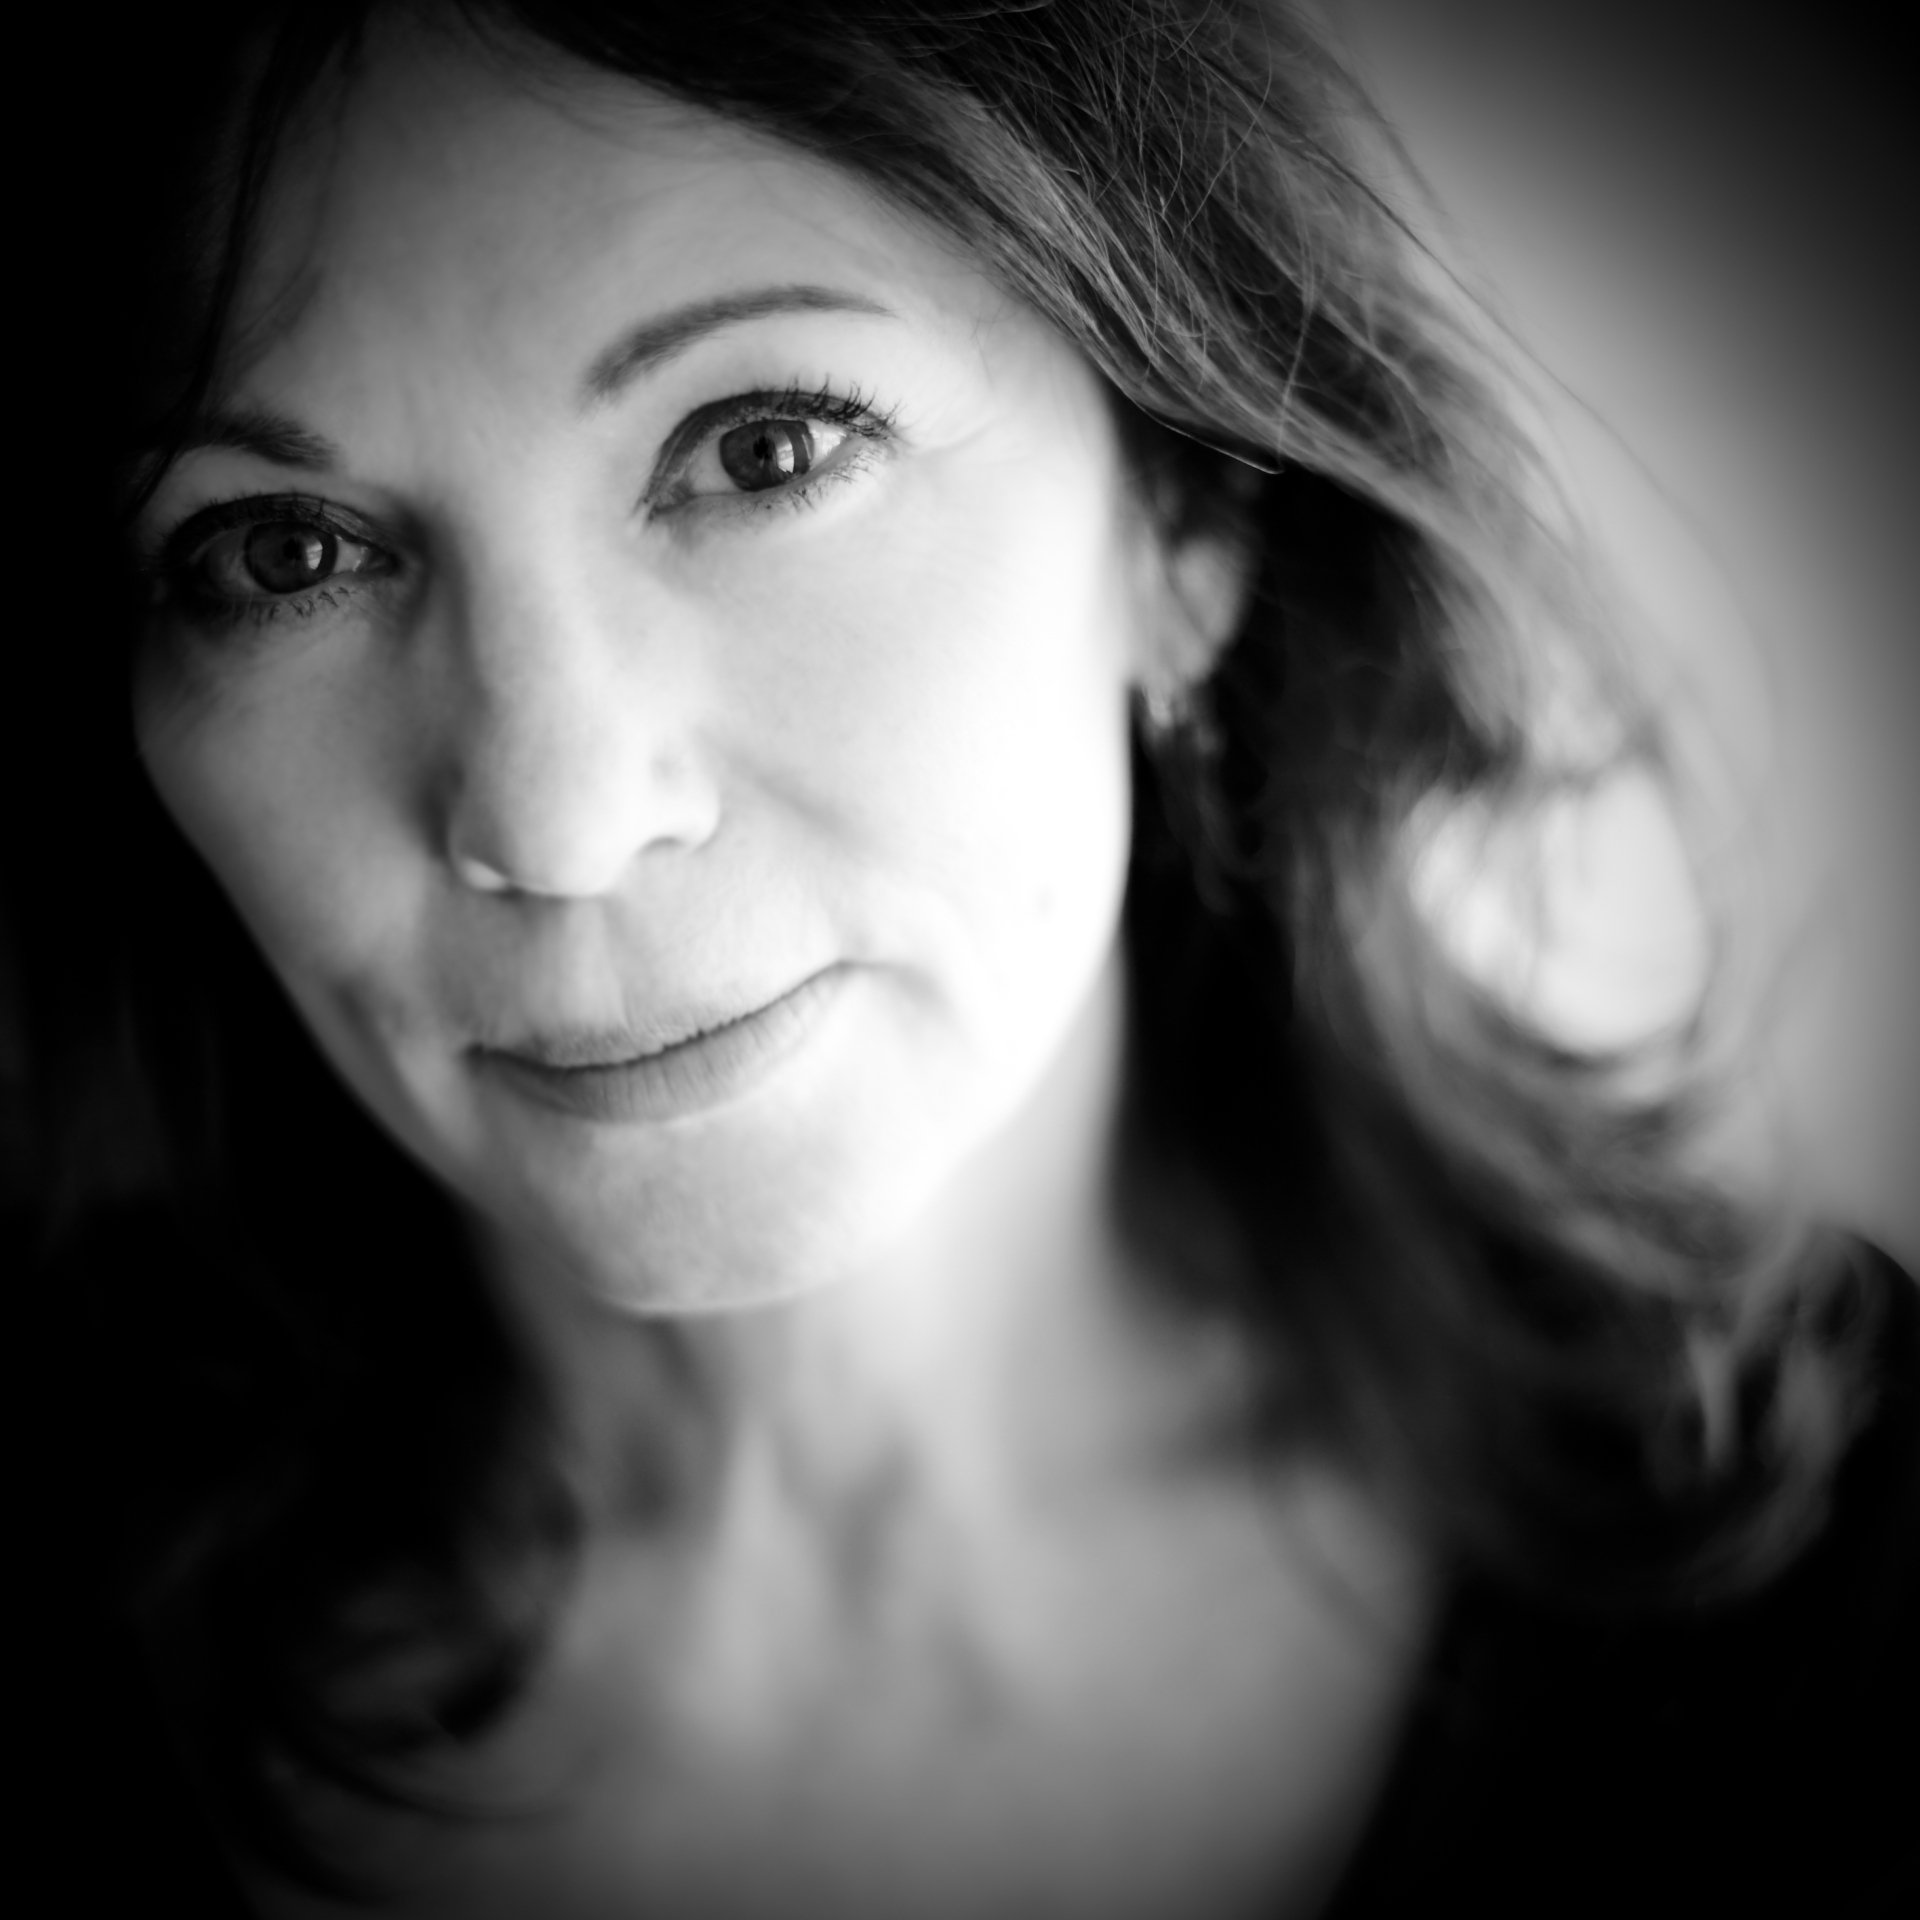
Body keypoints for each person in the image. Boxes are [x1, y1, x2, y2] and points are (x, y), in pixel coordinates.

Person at [7, 1, 1913, 1915]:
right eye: (281, 555)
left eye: (764, 449)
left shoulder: (1838, 1546)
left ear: (1177, 520)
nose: (557, 819)